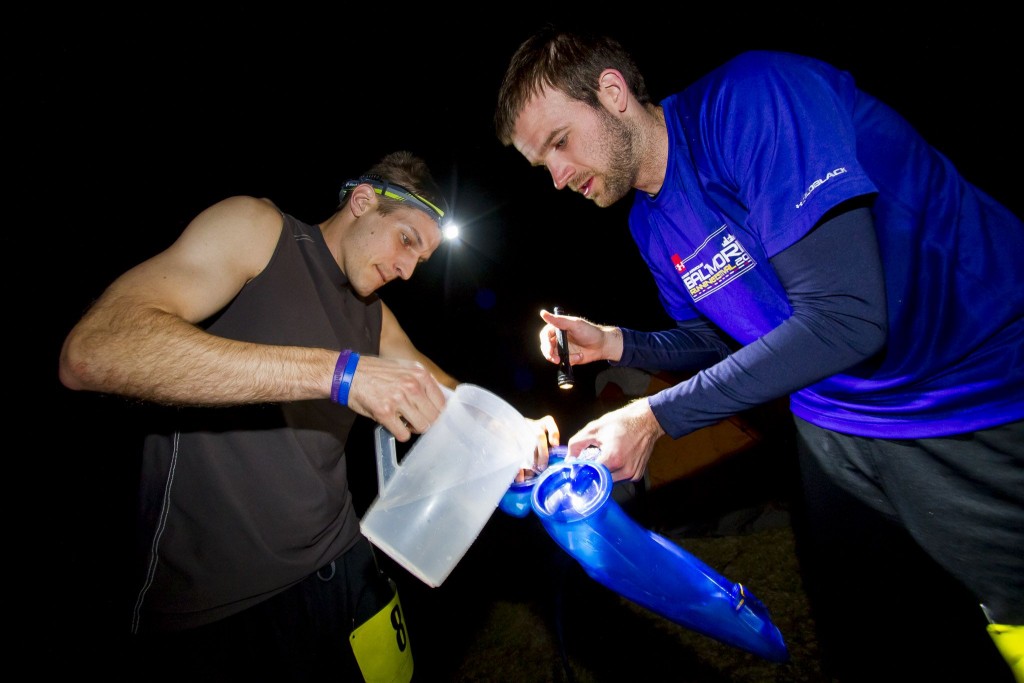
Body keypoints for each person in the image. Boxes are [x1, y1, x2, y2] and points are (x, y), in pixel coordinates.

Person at [495, 26, 1023, 681]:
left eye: (559, 143)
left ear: (612, 92)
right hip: (839, 417)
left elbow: (848, 319)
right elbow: (731, 334)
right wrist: (615, 342)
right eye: (540, 163)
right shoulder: (650, 224)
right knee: (872, 630)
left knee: (1013, 608)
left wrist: (656, 416)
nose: (557, 176)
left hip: (970, 382)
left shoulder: (752, 102)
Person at [58, 150, 559, 682]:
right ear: (363, 202)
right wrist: (340, 374)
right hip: (222, 603)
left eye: (421, 261)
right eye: (407, 241)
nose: (408, 270)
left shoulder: (374, 315)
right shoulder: (259, 231)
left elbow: (442, 394)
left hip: (347, 566)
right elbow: (94, 351)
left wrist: (514, 430)